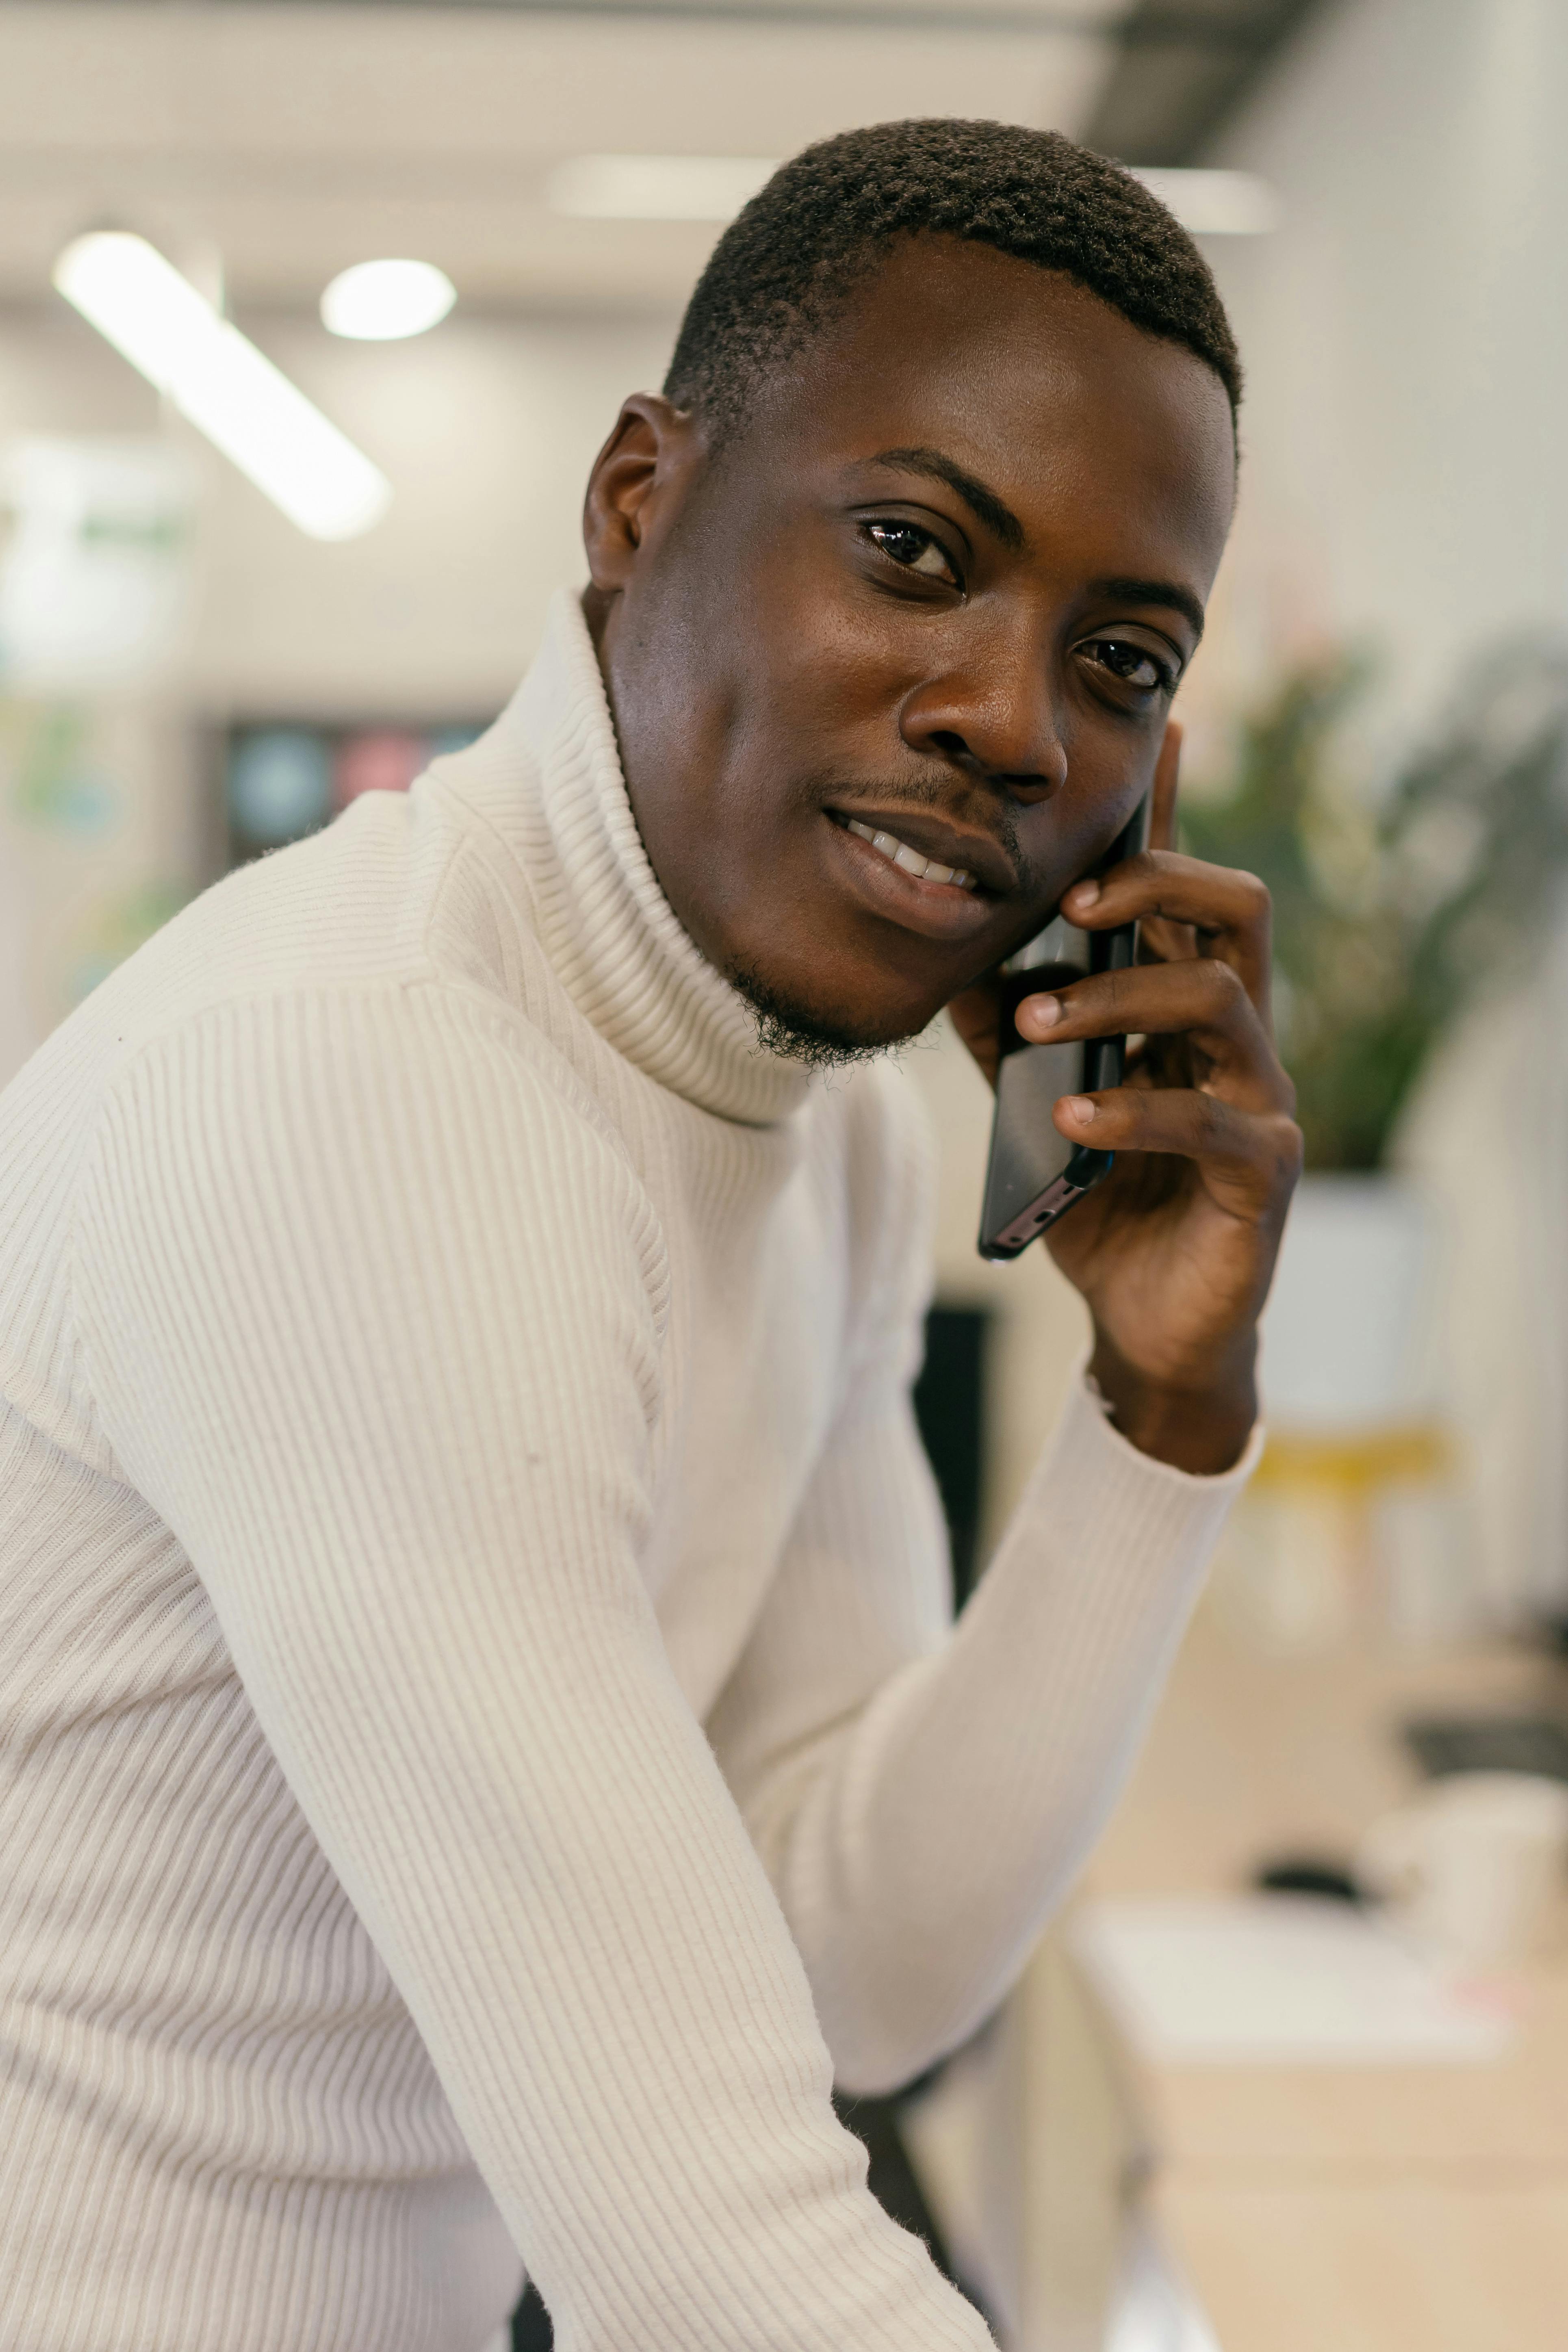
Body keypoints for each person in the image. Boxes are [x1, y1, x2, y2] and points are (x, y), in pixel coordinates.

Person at [0, 120, 1300, 2352]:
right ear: (636, 503)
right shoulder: (362, 1078)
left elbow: (841, 1974)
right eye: (911, 550)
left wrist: (1154, 1416)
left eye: (1120, 659)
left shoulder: (841, 1125)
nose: (1010, 717)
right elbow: (707, 2265)